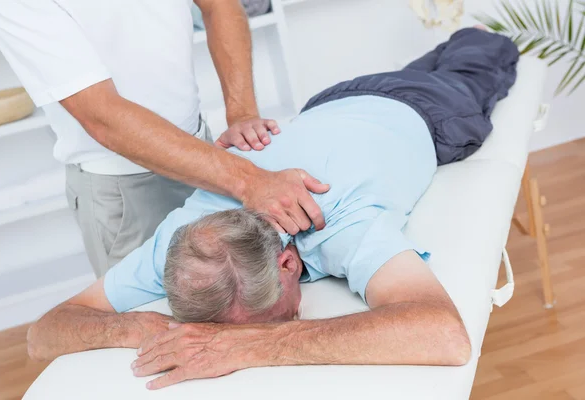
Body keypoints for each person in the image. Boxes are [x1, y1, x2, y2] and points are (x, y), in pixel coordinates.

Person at [27, 27, 519, 390]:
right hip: (332, 104)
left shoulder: (339, 226)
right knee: (432, 58)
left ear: (287, 262)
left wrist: (254, 345)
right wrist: (132, 325)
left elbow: (446, 336)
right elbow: (44, 334)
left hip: (431, 111)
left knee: (481, 52)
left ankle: (479, 32)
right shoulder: (188, 244)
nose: (221, 338)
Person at [0, 0, 328, 278]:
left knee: (248, 300)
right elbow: (102, 115)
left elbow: (220, 5)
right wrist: (249, 180)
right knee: (164, 329)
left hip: (208, 153)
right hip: (124, 191)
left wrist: (241, 113)